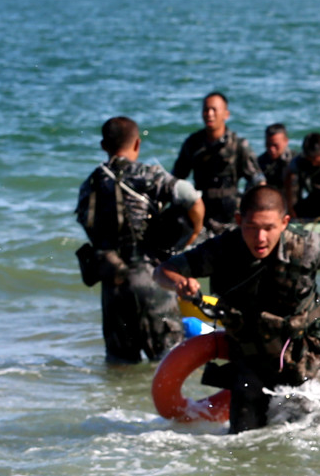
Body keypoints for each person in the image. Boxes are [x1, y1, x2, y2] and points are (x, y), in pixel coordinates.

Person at [154, 186, 320, 433]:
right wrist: (179, 282)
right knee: (244, 441)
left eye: (268, 228)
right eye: (252, 228)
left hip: (303, 355)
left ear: (284, 222)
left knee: (312, 438)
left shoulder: (306, 245)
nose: (260, 238)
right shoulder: (222, 249)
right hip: (250, 358)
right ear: (238, 221)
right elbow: (162, 271)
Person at [75, 116, 205, 363]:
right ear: (137, 144)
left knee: (120, 366)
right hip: (152, 278)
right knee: (168, 361)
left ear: (104, 145)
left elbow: (86, 223)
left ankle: (120, 404)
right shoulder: (148, 175)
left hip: (112, 285)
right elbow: (192, 199)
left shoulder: (89, 184)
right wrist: (194, 233)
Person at [173, 92, 266, 234]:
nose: (209, 114)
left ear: (226, 114)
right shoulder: (193, 143)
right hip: (202, 213)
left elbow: (258, 180)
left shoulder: (238, 145)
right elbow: (177, 178)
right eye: (206, 110)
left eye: (214, 110)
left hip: (231, 214)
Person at [258, 123, 294, 189]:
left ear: (286, 141)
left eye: (276, 145)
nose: (271, 149)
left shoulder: (295, 160)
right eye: (268, 144)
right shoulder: (259, 162)